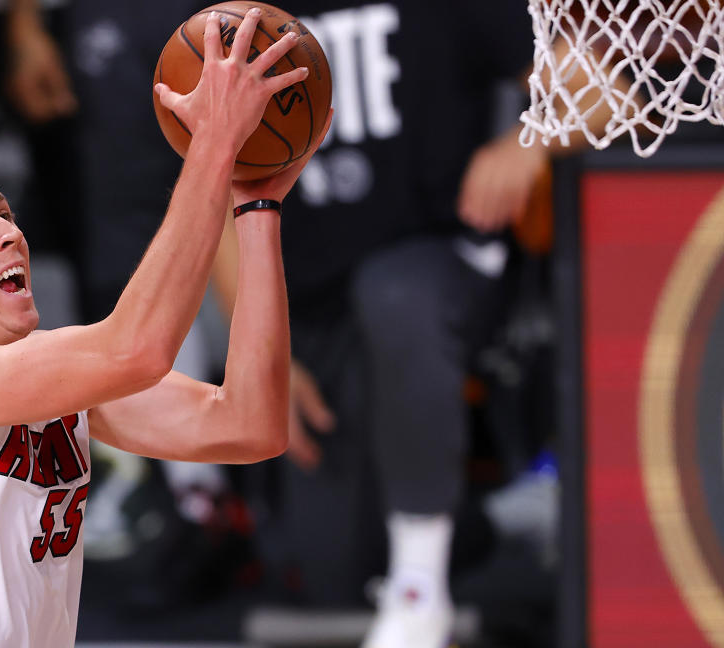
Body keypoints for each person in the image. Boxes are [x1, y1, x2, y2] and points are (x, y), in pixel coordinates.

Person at [0, 11, 326, 645]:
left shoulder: (56, 383)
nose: (8, 232)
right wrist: (213, 142)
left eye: (5, 212)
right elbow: (138, 348)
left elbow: (249, 425)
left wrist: (257, 207)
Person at [211, 2, 549, 646]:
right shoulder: (240, 19)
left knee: (393, 292)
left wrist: (525, 142)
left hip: (442, 267)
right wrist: (257, 358)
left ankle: (420, 589)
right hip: (316, 309)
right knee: (330, 574)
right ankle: (475, 525)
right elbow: (215, 186)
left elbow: (603, 91)